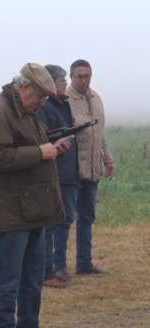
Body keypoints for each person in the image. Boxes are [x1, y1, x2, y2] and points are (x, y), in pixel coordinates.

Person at [0, 63, 67, 328]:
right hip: (11, 213)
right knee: (8, 282)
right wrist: (40, 153)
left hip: (33, 211)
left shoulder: (27, 111)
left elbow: (31, 148)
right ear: (25, 87)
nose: (42, 103)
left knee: (32, 280)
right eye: (40, 95)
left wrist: (53, 148)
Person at [64, 59, 115, 275]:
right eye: (79, 76)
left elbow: (99, 133)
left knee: (87, 217)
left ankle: (84, 263)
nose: (84, 80)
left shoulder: (96, 98)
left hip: (93, 170)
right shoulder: (64, 100)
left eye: (87, 76)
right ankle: (57, 267)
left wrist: (108, 159)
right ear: (71, 77)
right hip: (72, 170)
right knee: (65, 219)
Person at [36, 65, 78, 288]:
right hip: (55, 173)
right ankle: (47, 271)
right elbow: (43, 140)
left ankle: (55, 267)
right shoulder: (45, 107)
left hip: (67, 172)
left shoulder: (62, 104)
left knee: (63, 221)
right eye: (62, 80)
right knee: (51, 225)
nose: (65, 84)